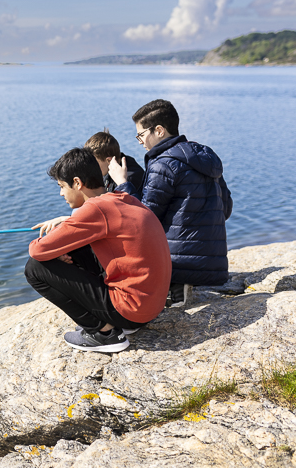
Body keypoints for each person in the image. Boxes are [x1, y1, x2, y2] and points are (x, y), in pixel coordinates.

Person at [25, 147, 171, 353]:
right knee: (77, 247)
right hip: (149, 308)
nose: (60, 193)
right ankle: (112, 322)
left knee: (34, 268)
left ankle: (104, 333)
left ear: (77, 183)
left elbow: (37, 251)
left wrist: (53, 247)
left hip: (131, 310)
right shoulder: (123, 198)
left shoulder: (95, 209)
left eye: (62, 186)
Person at [108, 99, 232, 307]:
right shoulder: (205, 157)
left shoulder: (163, 164)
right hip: (214, 263)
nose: (139, 141)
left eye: (141, 134)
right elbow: (225, 209)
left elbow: (144, 219)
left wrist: (122, 183)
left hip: (178, 265)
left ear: (159, 130)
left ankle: (175, 285)